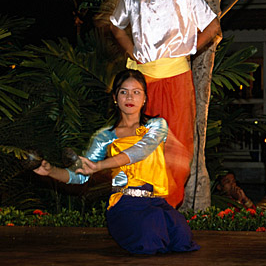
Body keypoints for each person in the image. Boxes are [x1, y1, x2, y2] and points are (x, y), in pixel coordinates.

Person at [33, 70, 199, 255]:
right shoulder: (104, 137)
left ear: (145, 98)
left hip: (155, 203)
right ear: (115, 97)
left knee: (181, 238)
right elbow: (79, 176)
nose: (130, 97)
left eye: (136, 92)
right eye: (123, 91)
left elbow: (141, 150)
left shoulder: (157, 125)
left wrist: (100, 166)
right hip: (125, 204)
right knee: (150, 235)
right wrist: (51, 171)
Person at [109, 0, 221, 207]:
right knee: (139, 142)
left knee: (176, 144)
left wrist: (189, 48)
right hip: (142, 80)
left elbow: (213, 26)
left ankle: (167, 207)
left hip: (175, 77)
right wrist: (130, 48)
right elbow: (116, 25)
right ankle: (139, 206)